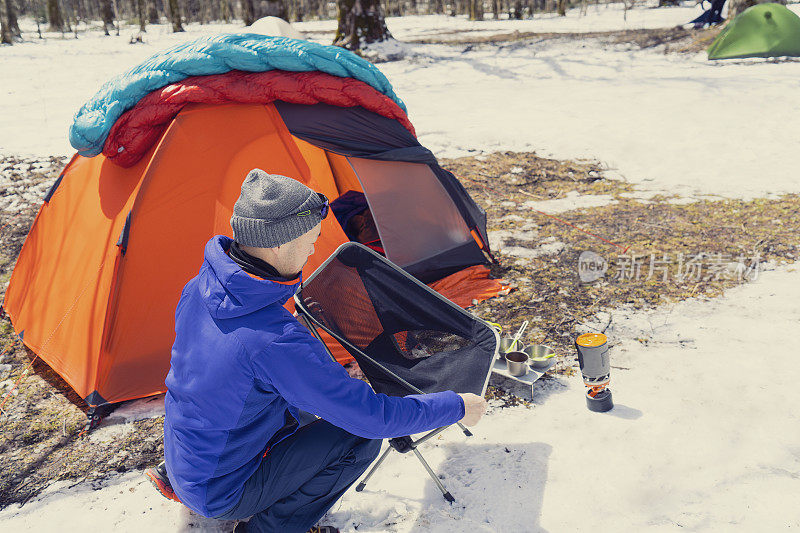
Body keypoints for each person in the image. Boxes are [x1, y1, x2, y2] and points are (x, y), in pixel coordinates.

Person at [155, 169, 487, 533]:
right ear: (279, 242)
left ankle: (186, 482)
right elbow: (371, 418)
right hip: (221, 489)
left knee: (310, 403)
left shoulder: (201, 287)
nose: (314, 249)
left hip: (187, 456)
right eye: (311, 239)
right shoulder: (272, 339)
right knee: (359, 439)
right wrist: (455, 406)